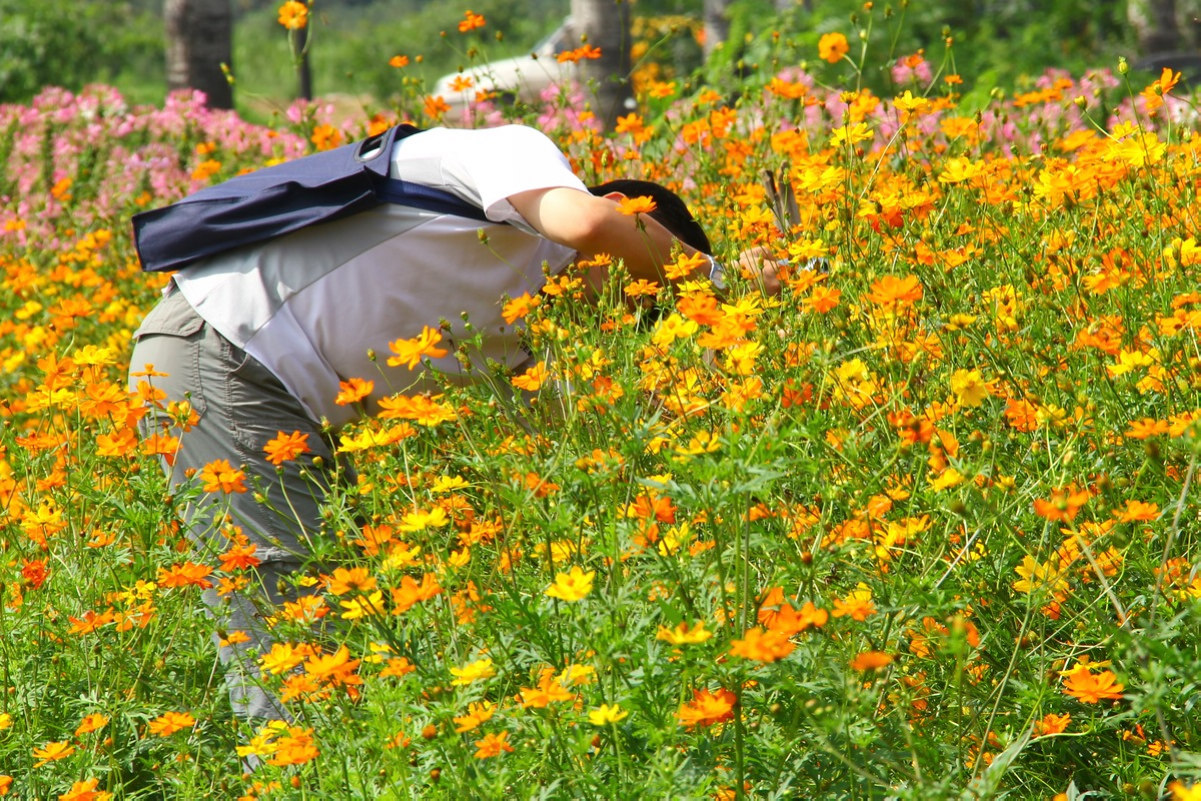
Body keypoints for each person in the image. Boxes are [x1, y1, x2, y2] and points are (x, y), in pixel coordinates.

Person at [128, 123, 779, 722]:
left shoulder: (532, 316)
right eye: (638, 276)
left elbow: (613, 440)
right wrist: (720, 283)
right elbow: (585, 222)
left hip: (283, 393)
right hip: (219, 351)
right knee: (296, 651)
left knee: (333, 646)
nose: (615, 301)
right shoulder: (514, 156)